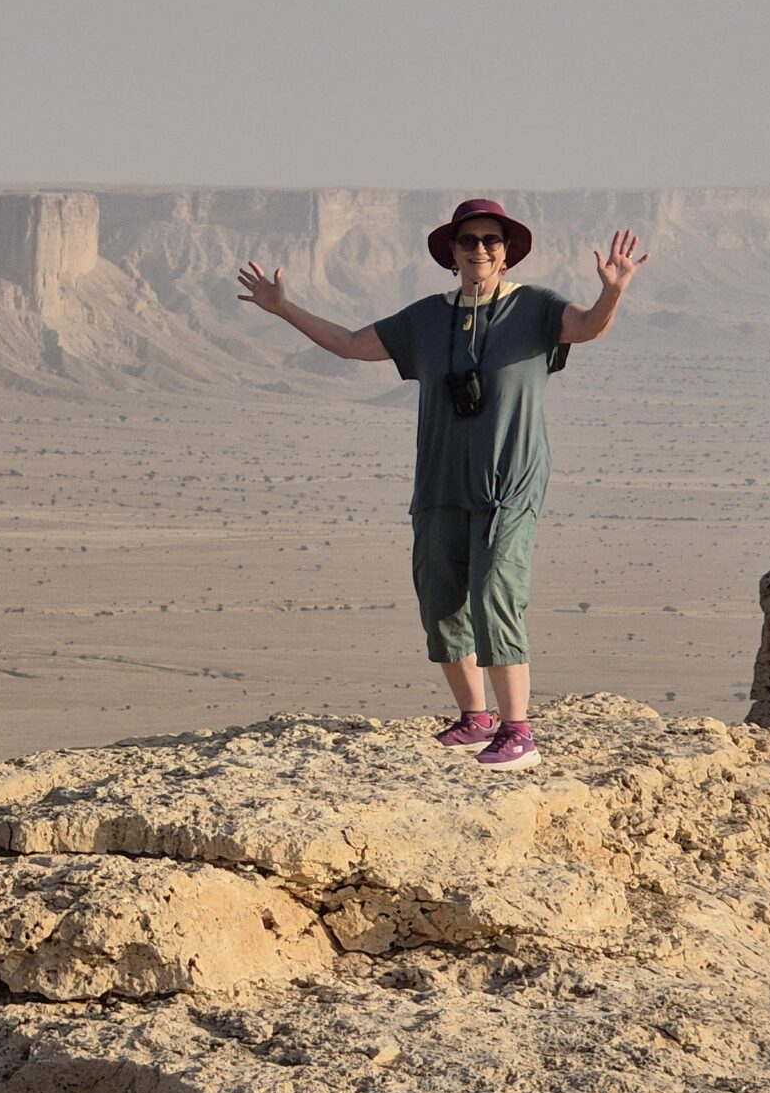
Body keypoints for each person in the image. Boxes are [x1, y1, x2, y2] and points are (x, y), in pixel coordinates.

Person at [235, 199, 646, 770]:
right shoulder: (427, 318)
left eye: (491, 240)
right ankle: (476, 718)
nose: (480, 249)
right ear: (451, 253)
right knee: (441, 600)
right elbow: (352, 344)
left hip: (507, 483)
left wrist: (613, 291)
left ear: (506, 253)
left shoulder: (534, 307)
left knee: (496, 595)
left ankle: (518, 732)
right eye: (468, 240)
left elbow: (589, 326)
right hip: (439, 483)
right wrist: (282, 308)